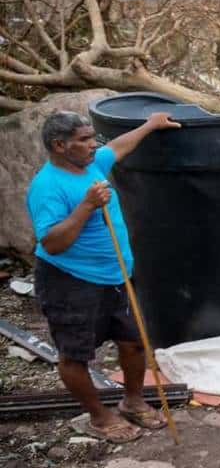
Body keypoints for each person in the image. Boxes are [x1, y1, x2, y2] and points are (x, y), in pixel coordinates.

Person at [26, 110, 180, 443]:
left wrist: (150, 124)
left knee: (134, 343)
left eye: (92, 137)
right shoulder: (48, 186)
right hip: (71, 282)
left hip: (116, 276)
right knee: (74, 354)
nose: (94, 144)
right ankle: (98, 417)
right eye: (84, 139)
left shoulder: (91, 164)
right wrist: (87, 206)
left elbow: (119, 147)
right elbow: (52, 243)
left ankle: (133, 399)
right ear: (59, 145)